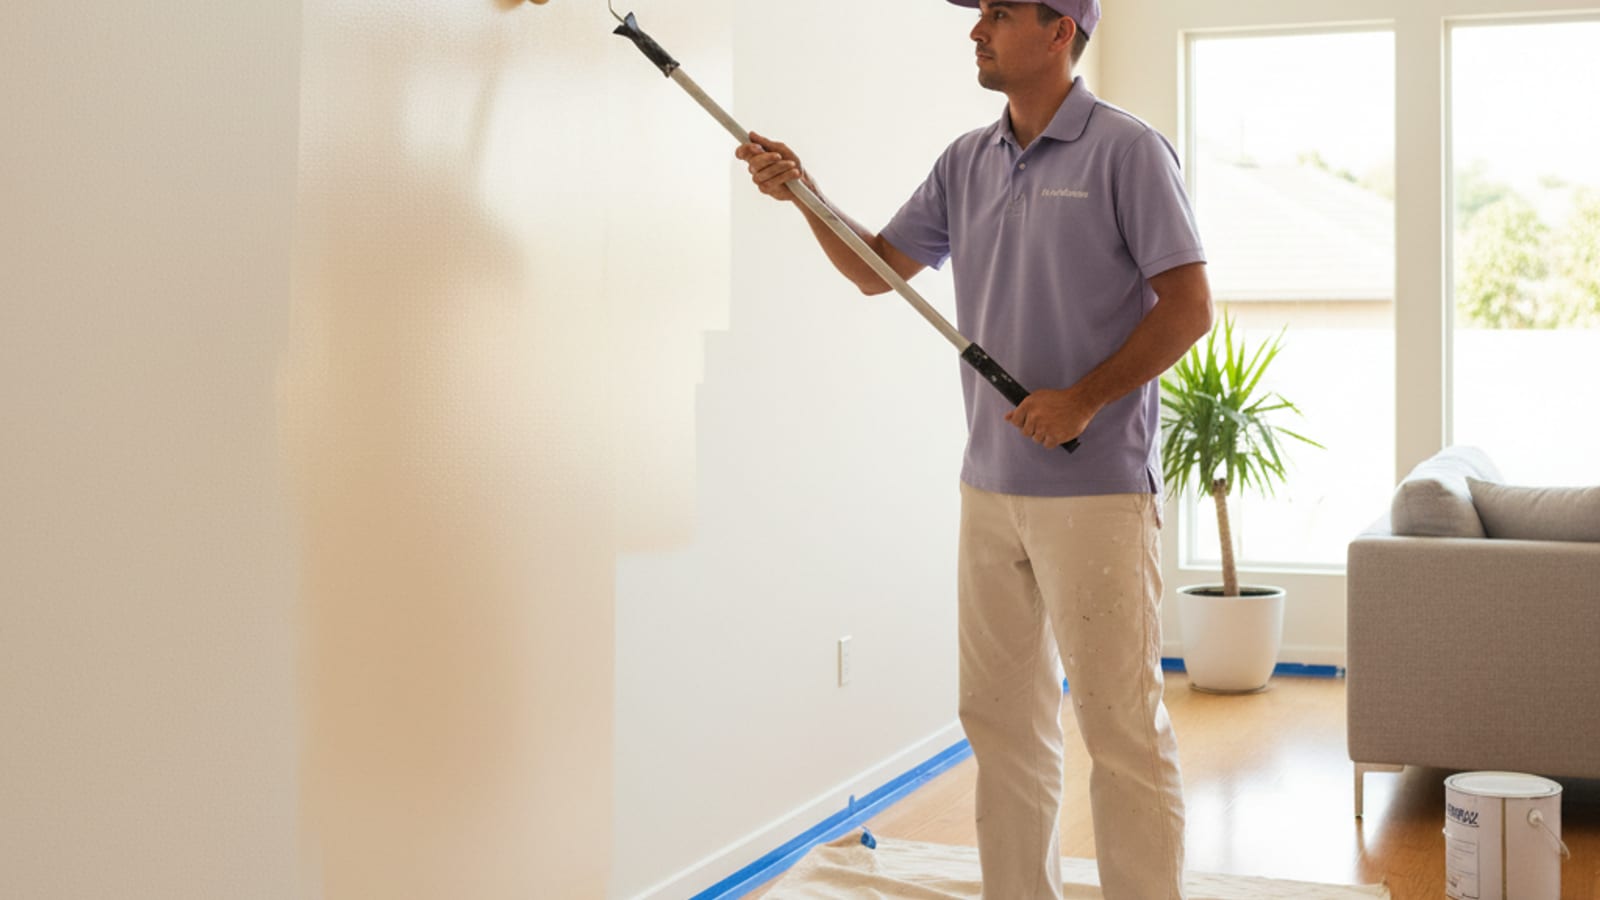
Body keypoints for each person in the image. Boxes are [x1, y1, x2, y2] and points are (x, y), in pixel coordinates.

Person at [736, 1, 1211, 897]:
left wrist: (1082, 401)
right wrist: (802, 191)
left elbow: (1190, 307)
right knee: (999, 723)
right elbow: (876, 268)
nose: (975, 28)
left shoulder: (1127, 150)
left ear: (1059, 27)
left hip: (1099, 493)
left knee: (1120, 730)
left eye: (997, 11)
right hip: (988, 488)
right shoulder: (966, 159)